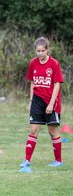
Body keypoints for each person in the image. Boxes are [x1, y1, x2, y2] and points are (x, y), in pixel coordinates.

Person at [19, 37, 64, 168]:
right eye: (38, 51)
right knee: (33, 130)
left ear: (47, 50)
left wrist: (51, 104)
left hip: (51, 101)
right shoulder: (33, 63)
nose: (40, 53)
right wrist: (31, 101)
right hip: (37, 100)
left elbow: (57, 85)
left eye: (43, 51)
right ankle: (27, 161)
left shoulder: (54, 64)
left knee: (52, 130)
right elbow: (32, 83)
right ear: (35, 50)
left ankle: (58, 161)